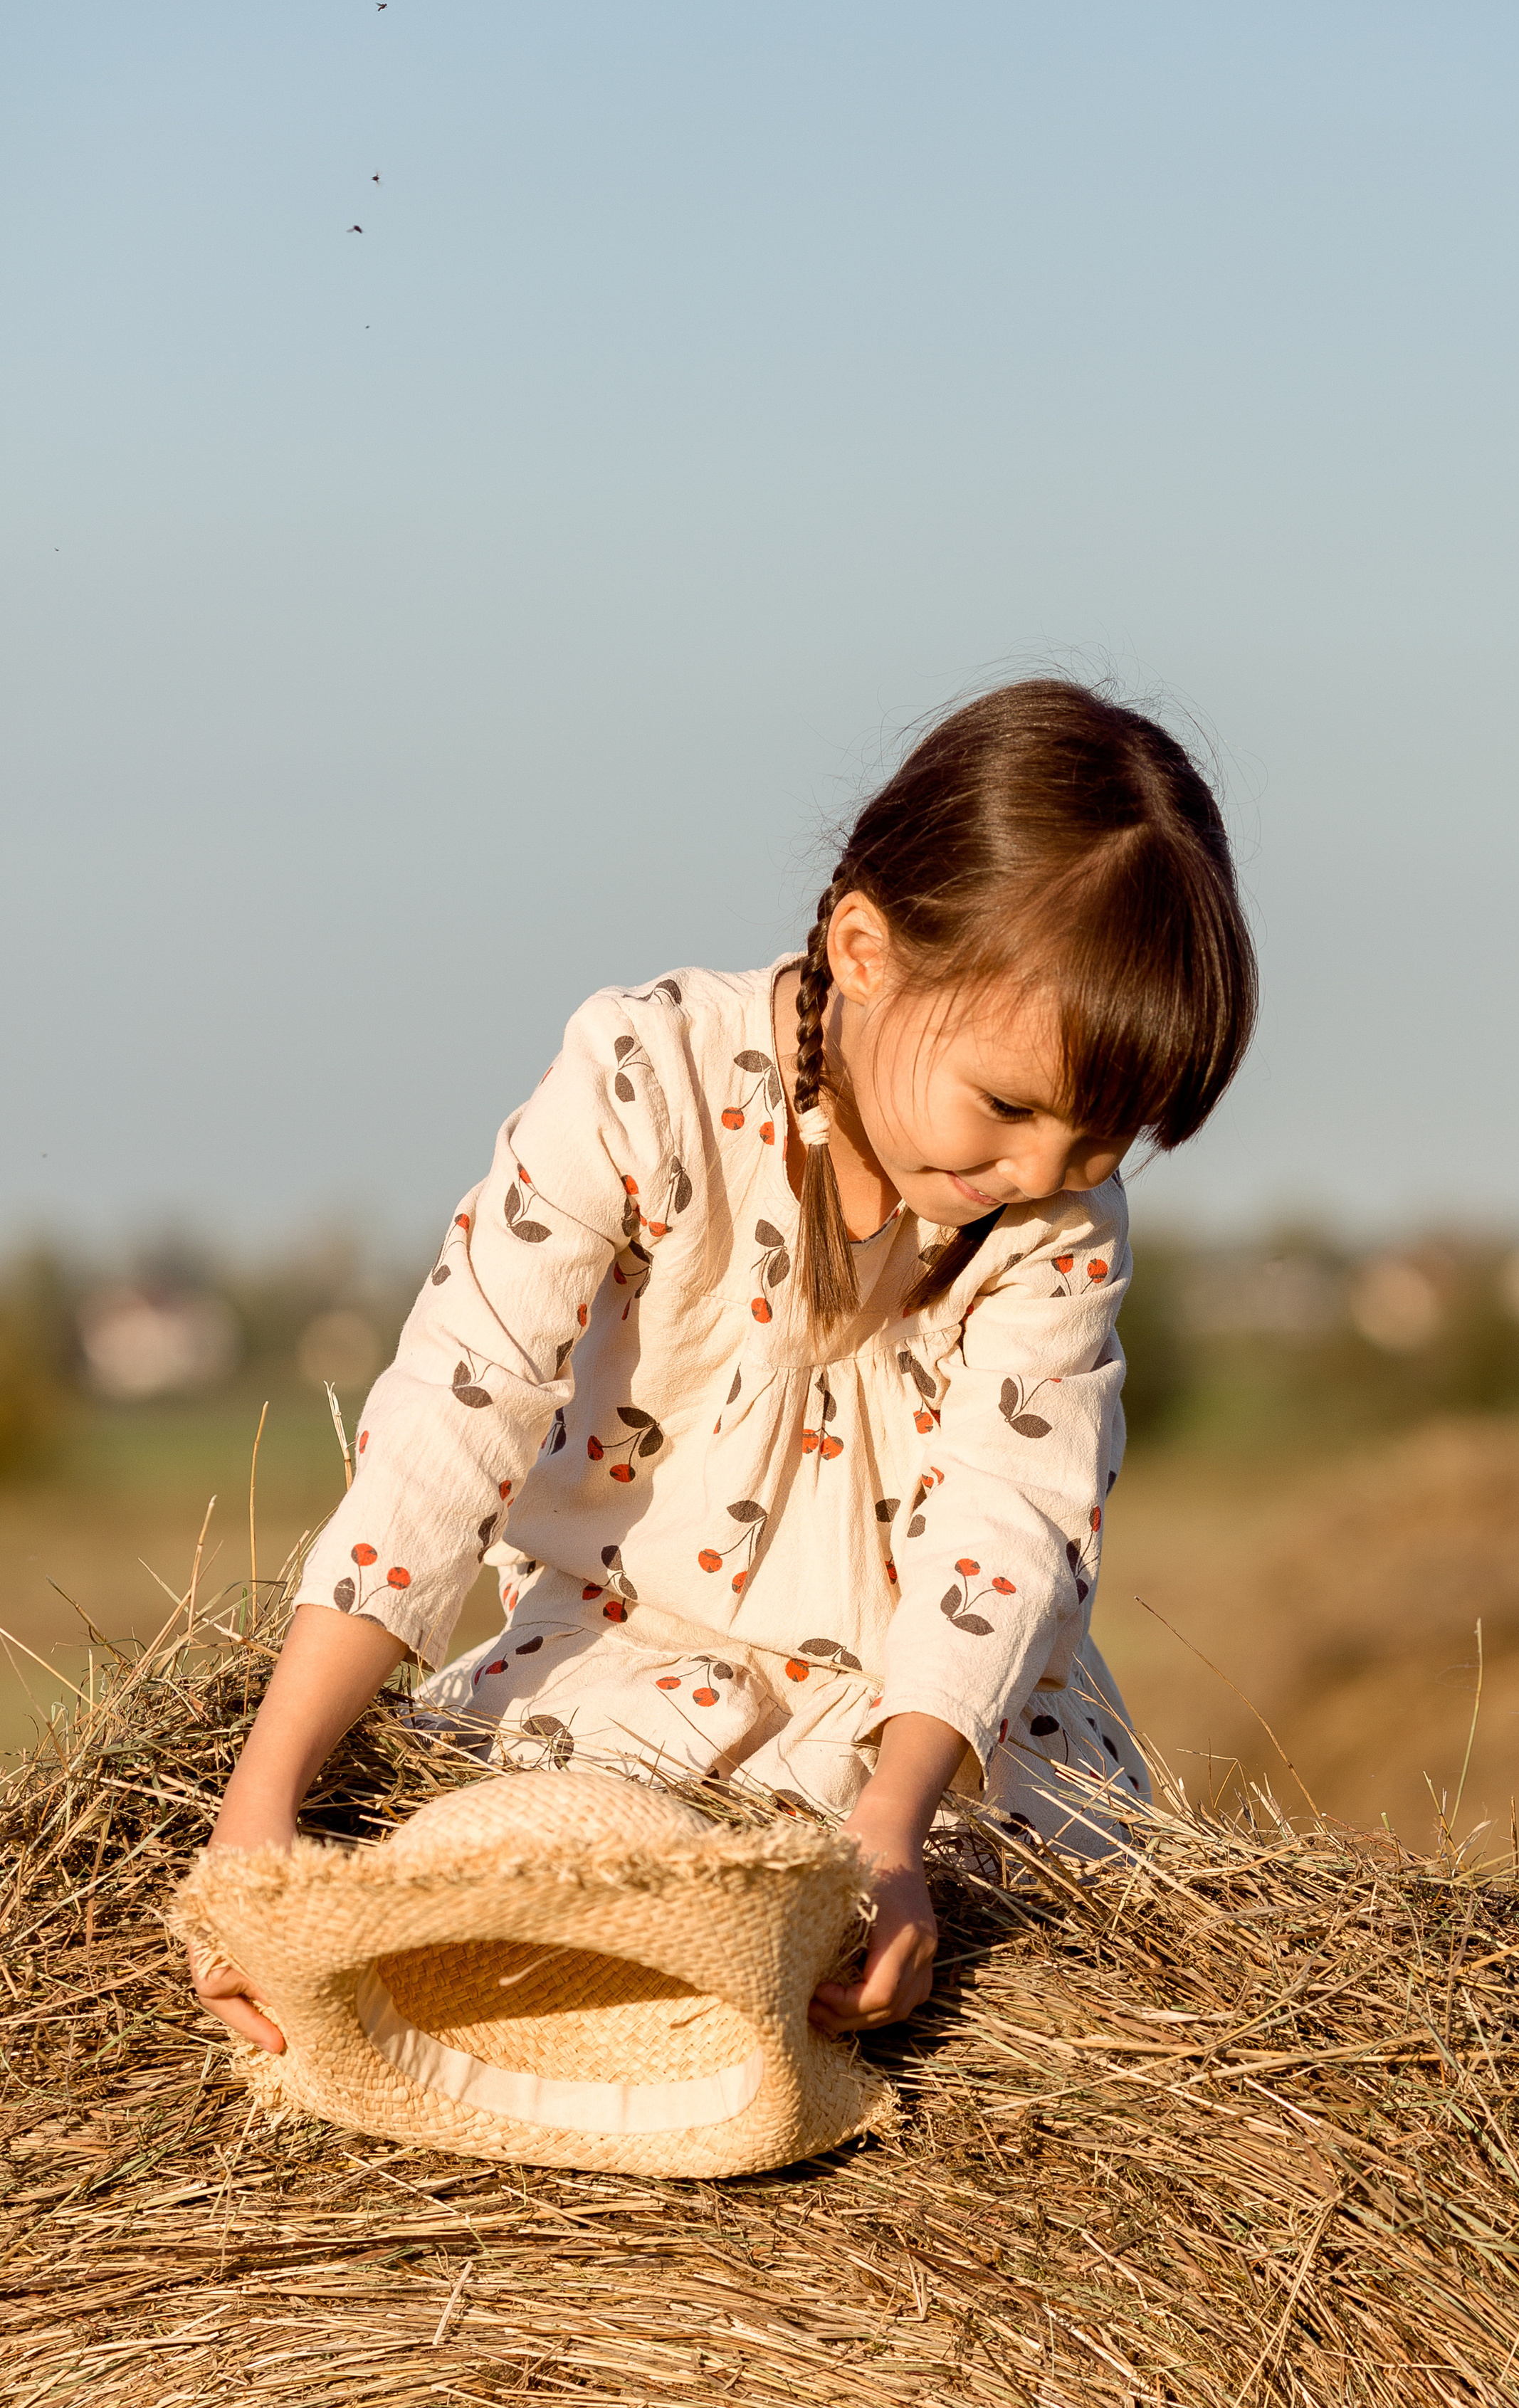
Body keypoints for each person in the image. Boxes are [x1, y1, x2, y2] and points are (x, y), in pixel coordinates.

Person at [191, 679, 1256, 2053]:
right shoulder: (647, 1080)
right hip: (638, 1665)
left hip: (929, 1723)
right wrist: (264, 1798)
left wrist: (893, 1828)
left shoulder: (1056, 1220)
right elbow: (458, 1412)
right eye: (1009, 1106)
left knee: (988, 1939)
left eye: (1106, 1142)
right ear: (865, 950)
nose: (1043, 1173)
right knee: (543, 1900)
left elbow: (1011, 1518)